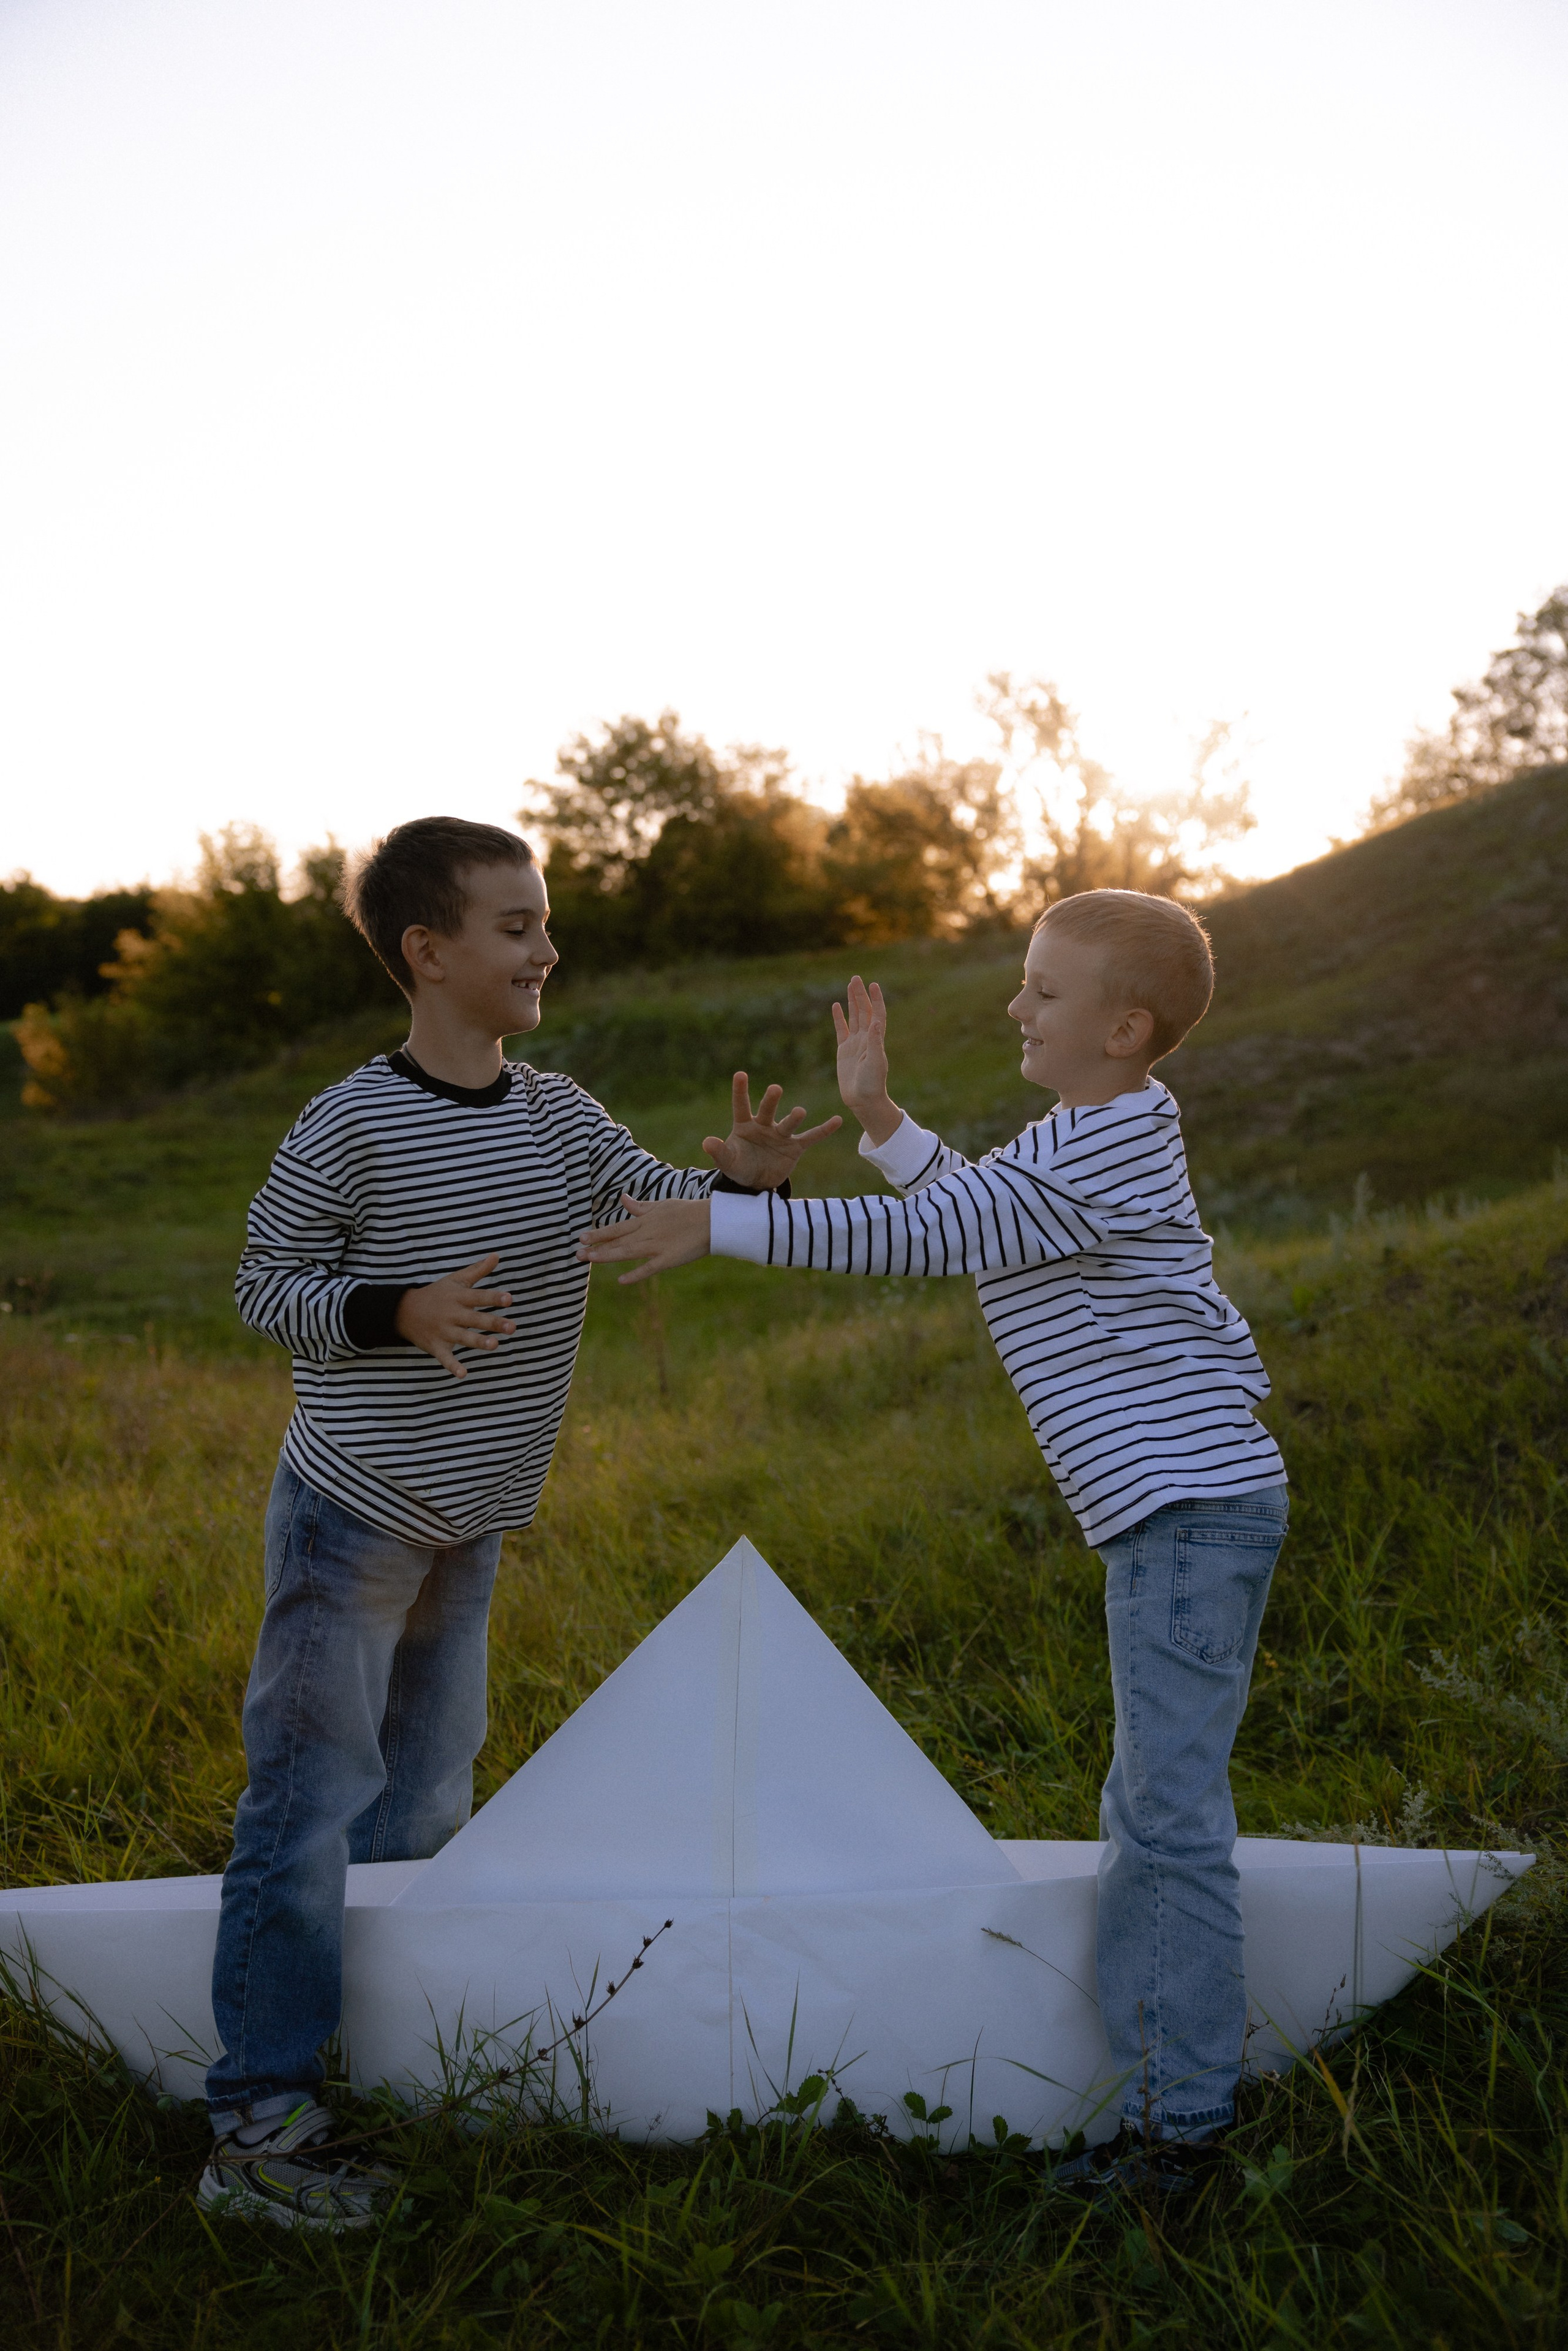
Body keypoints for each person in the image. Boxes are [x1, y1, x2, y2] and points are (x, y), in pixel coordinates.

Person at [577, 887, 1289, 2198]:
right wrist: (878, 1117)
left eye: (1042, 989)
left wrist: (723, 1220)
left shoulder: (1105, 1144)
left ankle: (1181, 2132)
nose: (1016, 1004)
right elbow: (983, 1216)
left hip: (1189, 1511)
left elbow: (936, 1233)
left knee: (1163, 1821)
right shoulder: (1085, 1130)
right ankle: (1172, 2102)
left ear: (1122, 1025)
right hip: (1181, 1511)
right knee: (1152, 1806)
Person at [200, 815, 840, 2229]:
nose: (547, 947)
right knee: (305, 1809)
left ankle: (381, 2051)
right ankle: (255, 2122)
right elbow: (263, 1283)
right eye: (514, 926)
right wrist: (397, 1311)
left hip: (471, 1520)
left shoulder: (555, 1115)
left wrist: (736, 1184)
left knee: (427, 1801)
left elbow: (648, 1208)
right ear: (428, 953)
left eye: (544, 922)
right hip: (353, 1516)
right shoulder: (351, 1121)